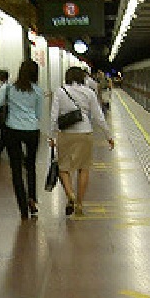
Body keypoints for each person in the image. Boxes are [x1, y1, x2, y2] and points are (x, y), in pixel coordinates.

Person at [49, 66, 114, 216]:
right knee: (83, 168)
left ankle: (70, 194)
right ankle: (79, 203)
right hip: (85, 132)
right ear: (82, 78)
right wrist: (108, 136)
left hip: (65, 133)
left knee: (63, 167)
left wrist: (51, 136)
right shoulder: (89, 92)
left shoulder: (60, 91)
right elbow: (99, 117)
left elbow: (54, 115)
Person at [0, 60, 44, 220]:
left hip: (12, 130)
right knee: (30, 166)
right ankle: (32, 200)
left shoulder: (8, 88)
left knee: (16, 170)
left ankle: (23, 208)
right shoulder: (37, 91)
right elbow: (38, 114)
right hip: (32, 130)